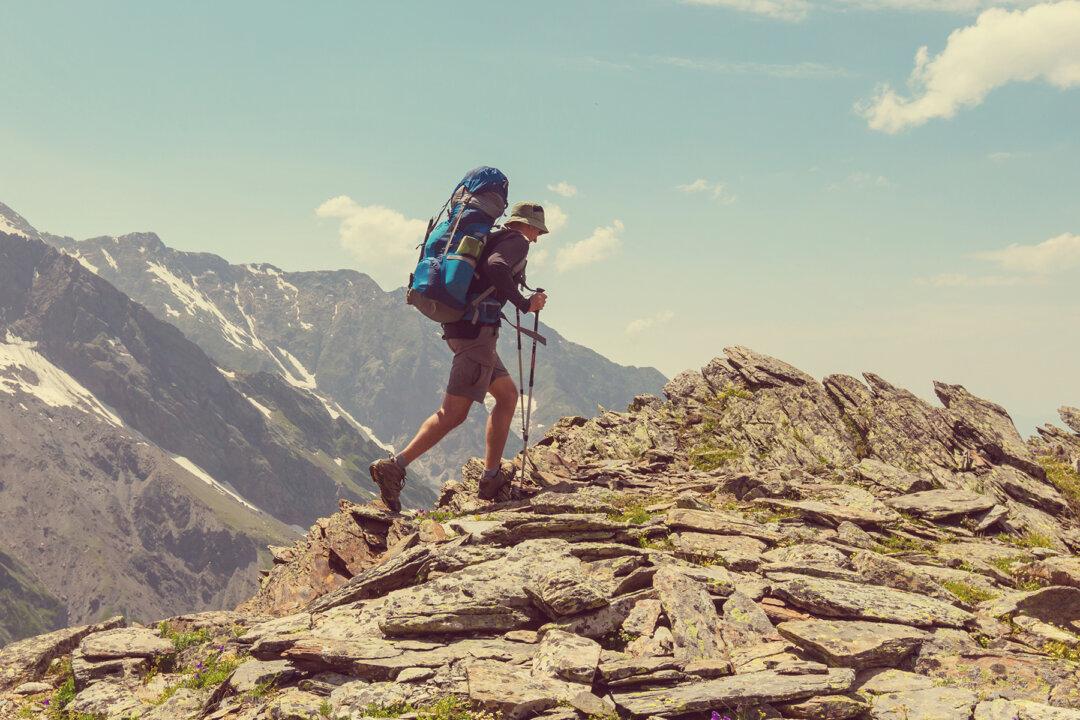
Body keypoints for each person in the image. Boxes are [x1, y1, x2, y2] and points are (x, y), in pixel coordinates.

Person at [369, 202, 550, 511]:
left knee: (506, 396)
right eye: (538, 231)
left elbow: (489, 271)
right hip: (476, 336)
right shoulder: (515, 242)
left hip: (466, 330)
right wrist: (524, 303)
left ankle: (490, 477)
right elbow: (496, 267)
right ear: (529, 226)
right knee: (453, 413)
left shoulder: (492, 236)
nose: (536, 238)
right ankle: (395, 466)